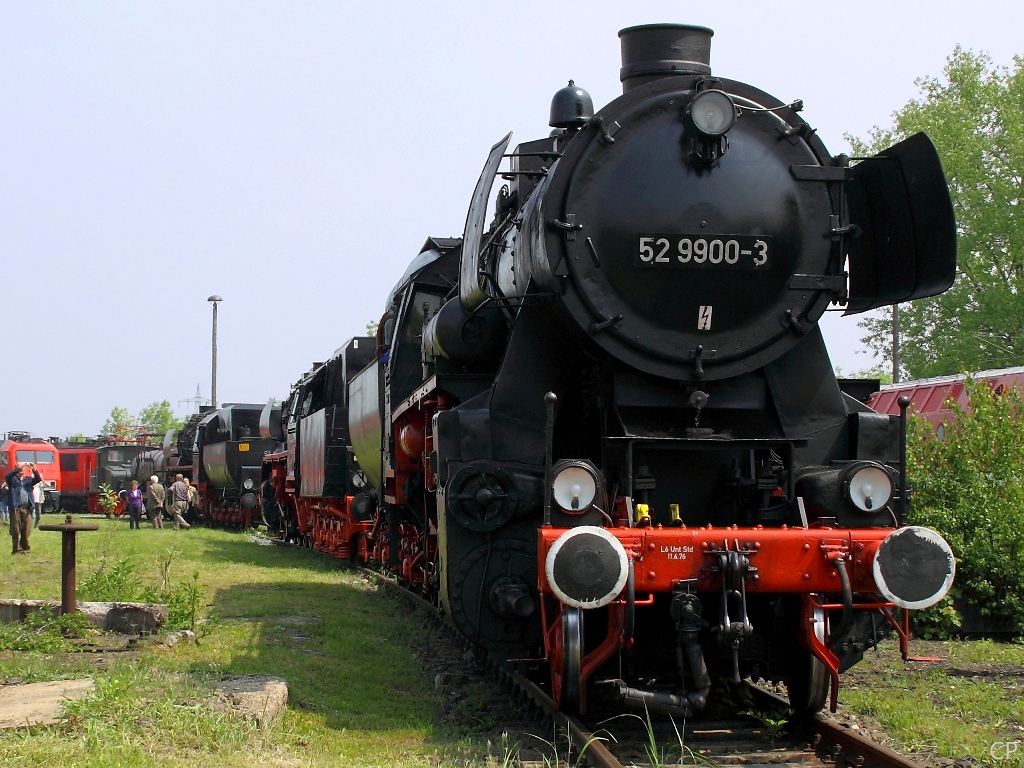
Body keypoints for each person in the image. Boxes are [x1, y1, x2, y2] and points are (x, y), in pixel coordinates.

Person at [6, 463, 42, 555]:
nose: (22, 469)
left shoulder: (28, 480)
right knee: (15, 529)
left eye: (22, 468)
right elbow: (7, 476)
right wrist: (17, 469)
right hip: (15, 508)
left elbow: (38, 479)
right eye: (20, 468)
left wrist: (34, 469)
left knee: (26, 529)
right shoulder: (12, 480)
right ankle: (17, 549)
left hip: (27, 508)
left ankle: (25, 548)